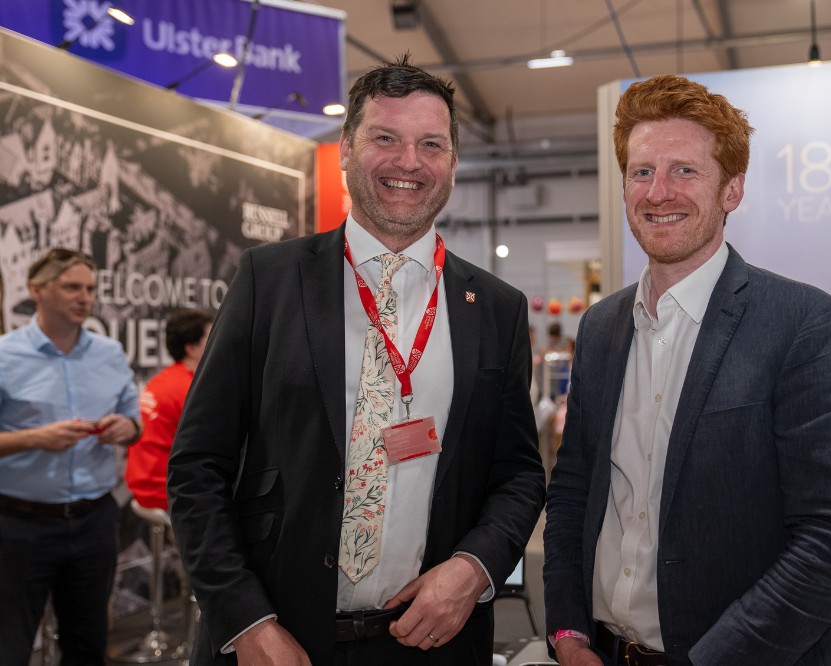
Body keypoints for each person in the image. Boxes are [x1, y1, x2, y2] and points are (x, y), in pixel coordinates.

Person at [166, 54, 545, 665]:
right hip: (277, 639)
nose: (408, 162)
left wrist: (476, 569)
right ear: (345, 148)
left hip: (429, 641)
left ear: (452, 161)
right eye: (385, 139)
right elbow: (197, 465)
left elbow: (519, 475)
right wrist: (244, 620)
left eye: (431, 144)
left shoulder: (496, 306)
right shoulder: (269, 280)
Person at [542, 74, 831, 666]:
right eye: (642, 171)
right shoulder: (601, 327)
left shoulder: (805, 324)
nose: (659, 192)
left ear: (733, 190)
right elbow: (573, 493)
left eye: (685, 171)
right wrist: (568, 631)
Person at [0, 247, 142, 664]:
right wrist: (33, 439)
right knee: (10, 646)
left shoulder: (109, 353)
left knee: (87, 645)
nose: (84, 297)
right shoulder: (5, 356)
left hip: (93, 521)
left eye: (90, 289)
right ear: (37, 290)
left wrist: (127, 428)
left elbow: (135, 422)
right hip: (18, 525)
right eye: (71, 287)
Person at [125, 309, 211, 511]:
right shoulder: (190, 389)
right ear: (191, 348)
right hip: (164, 490)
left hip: (145, 483)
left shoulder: (166, 379)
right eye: (211, 336)